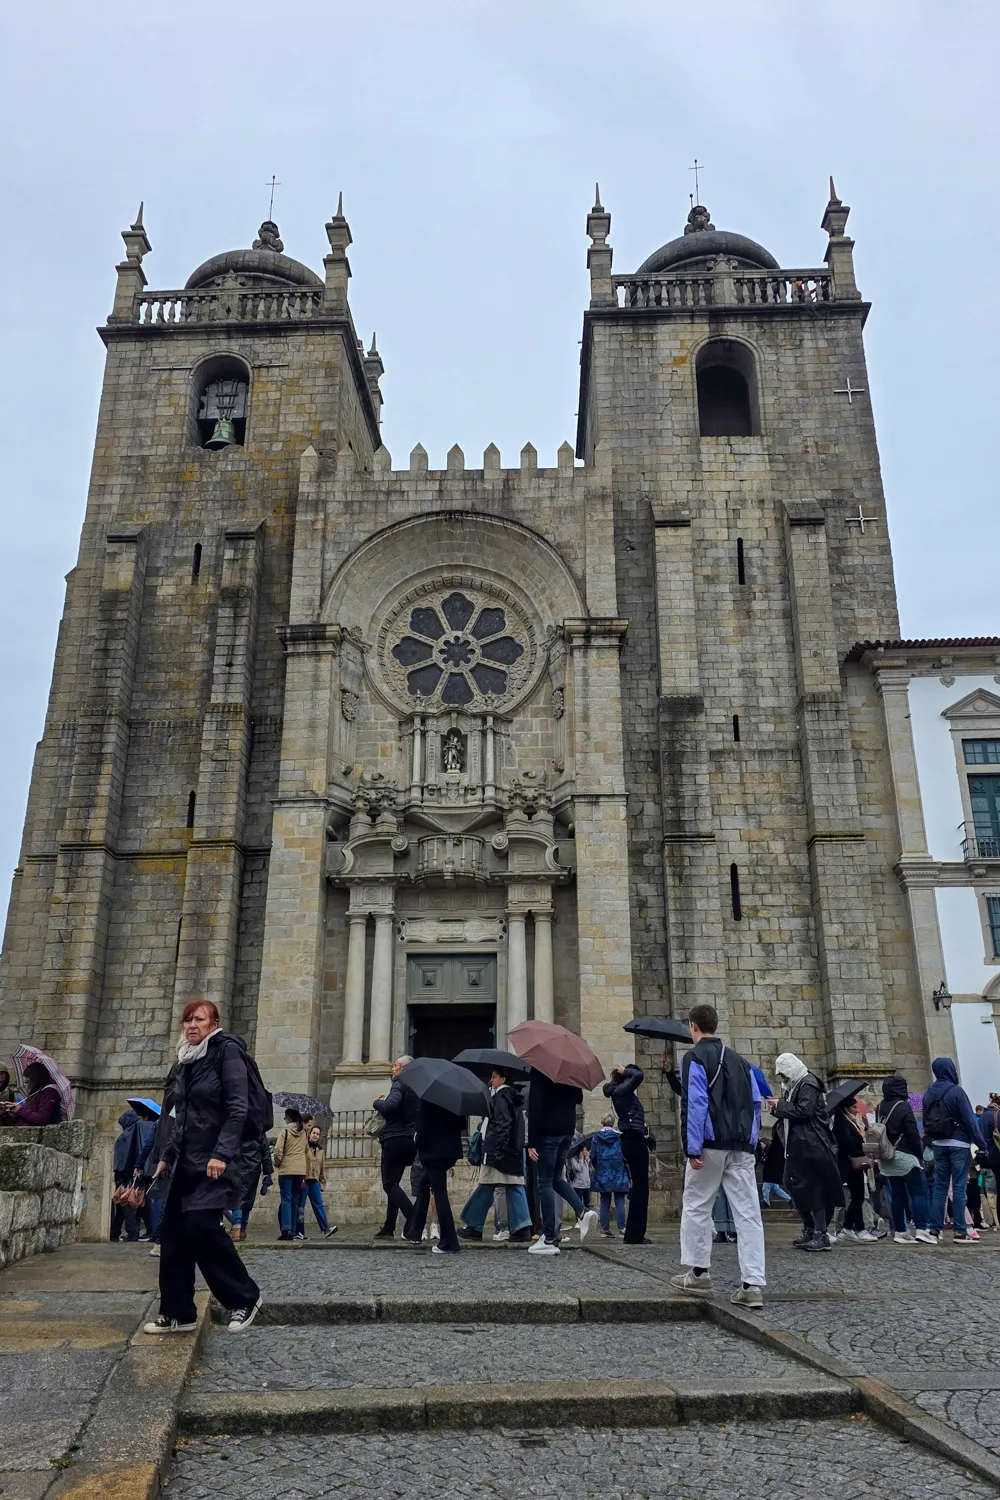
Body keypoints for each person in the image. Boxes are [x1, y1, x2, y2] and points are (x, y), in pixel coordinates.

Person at [143, 998, 262, 1335]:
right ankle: (178, 1312)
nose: (192, 1025)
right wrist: (166, 1157)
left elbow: (238, 1108)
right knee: (173, 1234)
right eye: (188, 1020)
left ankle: (245, 1297)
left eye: (199, 1019)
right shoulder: (187, 1062)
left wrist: (222, 1154)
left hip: (214, 1162)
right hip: (185, 1162)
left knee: (201, 1226)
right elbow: (181, 1119)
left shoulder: (226, 1052)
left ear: (214, 1024)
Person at [670, 1004, 766, 1309]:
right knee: (748, 1214)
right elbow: (756, 1104)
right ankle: (752, 1285)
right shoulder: (742, 1061)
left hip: (710, 1144)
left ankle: (699, 1273)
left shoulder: (694, 1058)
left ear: (693, 1026)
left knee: (697, 1205)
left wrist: (692, 1147)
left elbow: (695, 1102)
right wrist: (751, 1141)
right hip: (742, 1145)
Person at [770, 1053, 842, 1251]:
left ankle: (820, 1233)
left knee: (813, 1188)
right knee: (793, 1185)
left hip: (811, 1145)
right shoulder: (796, 1085)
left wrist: (780, 1105)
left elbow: (805, 1111)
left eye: (784, 1074)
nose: (783, 1078)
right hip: (799, 1145)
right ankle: (810, 1229)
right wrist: (777, 1107)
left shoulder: (807, 1083)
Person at [525, 1068, 598, 1256]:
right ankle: (582, 1211)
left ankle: (549, 1238)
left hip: (548, 1132)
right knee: (556, 1178)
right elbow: (578, 1098)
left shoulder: (540, 1068)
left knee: (544, 1183)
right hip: (566, 1130)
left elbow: (535, 1103)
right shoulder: (569, 1067)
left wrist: (532, 1141)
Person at [458, 1067, 533, 1242]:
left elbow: (503, 1123)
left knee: (486, 1186)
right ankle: (522, 1228)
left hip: (498, 1151)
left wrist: (498, 1149)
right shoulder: (512, 1098)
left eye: (494, 1077)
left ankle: (474, 1225)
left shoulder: (501, 1096)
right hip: (512, 1151)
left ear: (503, 1079)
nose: (490, 1081)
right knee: (514, 1186)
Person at [922, 1056, 986, 1244]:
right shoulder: (956, 1091)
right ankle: (960, 1230)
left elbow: (925, 1120)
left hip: (938, 1144)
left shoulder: (928, 1093)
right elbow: (969, 1120)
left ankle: (934, 1229)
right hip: (959, 1143)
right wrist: (981, 1144)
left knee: (940, 1187)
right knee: (959, 1187)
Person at [875, 1075, 935, 1245]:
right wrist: (919, 1155)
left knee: (897, 1194)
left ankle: (900, 1231)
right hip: (905, 1155)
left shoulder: (880, 1106)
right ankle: (922, 1229)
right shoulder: (903, 1106)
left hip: (887, 1156)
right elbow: (912, 1134)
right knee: (918, 1192)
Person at [404, 1100, 464, 1253]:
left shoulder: (428, 1099)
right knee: (424, 1186)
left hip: (434, 1153)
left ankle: (449, 1242)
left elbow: (421, 1125)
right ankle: (414, 1231)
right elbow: (462, 1123)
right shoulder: (453, 1098)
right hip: (450, 1151)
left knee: (440, 1194)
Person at [372, 1056, 418, 1240]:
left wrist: (377, 1102)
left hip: (394, 1140)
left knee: (389, 1184)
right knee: (395, 1184)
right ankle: (389, 1228)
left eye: (396, 1065)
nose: (393, 1068)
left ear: (404, 1068)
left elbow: (390, 1106)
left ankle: (413, 1216)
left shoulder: (399, 1083)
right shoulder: (417, 1086)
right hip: (410, 1141)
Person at [603, 1063, 648, 1244]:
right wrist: (626, 1071)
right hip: (633, 1139)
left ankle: (635, 1233)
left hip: (633, 1138)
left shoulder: (620, 1091)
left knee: (639, 1186)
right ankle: (634, 1235)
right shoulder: (622, 1090)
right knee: (640, 1187)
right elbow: (638, 1076)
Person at [831, 1097, 877, 1243]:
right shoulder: (842, 1122)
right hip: (848, 1163)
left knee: (858, 1197)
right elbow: (847, 1142)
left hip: (852, 1164)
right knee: (855, 1197)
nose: (857, 1110)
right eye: (854, 1107)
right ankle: (853, 1229)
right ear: (846, 1108)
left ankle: (851, 1228)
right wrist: (860, 1136)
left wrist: (864, 1129)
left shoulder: (850, 1121)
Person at [587, 1114, 630, 1236]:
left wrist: (598, 1166)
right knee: (620, 1201)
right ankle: (622, 1228)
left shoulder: (596, 1137)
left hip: (603, 1173)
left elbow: (593, 1156)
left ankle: (605, 1229)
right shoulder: (620, 1137)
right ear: (613, 1123)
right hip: (619, 1172)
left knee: (605, 1200)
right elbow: (625, 1155)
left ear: (602, 1122)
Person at [231, 1127, 274, 1242]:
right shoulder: (259, 1129)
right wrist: (267, 1171)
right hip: (253, 1167)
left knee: (237, 1199)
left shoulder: (237, 1126)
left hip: (237, 1166)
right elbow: (265, 1151)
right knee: (248, 1200)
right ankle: (243, 1230)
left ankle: (236, 1229)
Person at [272, 1108, 309, 1242]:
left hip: (286, 1169)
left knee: (286, 1199)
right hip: (300, 1170)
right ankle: (293, 1229)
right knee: (295, 1199)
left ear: (288, 1118)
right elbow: (306, 1150)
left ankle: (286, 1229)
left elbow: (278, 1150)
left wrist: (278, 1163)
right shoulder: (304, 1132)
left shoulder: (285, 1132)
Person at [298, 1124, 338, 1239]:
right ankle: (299, 1231)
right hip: (304, 1179)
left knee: (318, 1204)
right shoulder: (304, 1147)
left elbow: (322, 1167)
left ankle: (326, 1228)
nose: (315, 1135)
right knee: (300, 1206)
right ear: (309, 1134)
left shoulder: (320, 1150)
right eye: (314, 1133)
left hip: (314, 1180)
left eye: (317, 1134)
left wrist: (322, 1182)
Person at [0, 1061, 64, 1126]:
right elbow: (26, 1115)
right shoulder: (34, 1093)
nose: (26, 1086)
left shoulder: (49, 1093)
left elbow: (42, 1119)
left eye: (27, 1082)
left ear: (36, 1079)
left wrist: (19, 1110)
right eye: (24, 1082)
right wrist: (12, 1113)